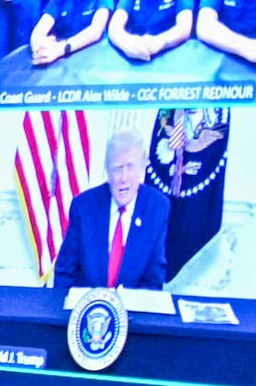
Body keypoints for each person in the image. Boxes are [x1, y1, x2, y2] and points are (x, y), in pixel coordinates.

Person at [56, 121, 183, 293]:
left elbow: (153, 281)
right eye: (117, 169)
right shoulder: (84, 207)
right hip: (85, 310)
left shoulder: (157, 208)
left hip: (131, 315)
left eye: (130, 167)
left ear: (142, 167)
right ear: (108, 172)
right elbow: (64, 274)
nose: (124, 178)